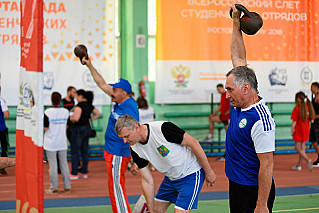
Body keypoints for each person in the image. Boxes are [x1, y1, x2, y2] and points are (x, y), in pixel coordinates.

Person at [224, 4, 276, 212]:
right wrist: (236, 23)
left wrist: (261, 204)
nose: (227, 95)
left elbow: (267, 165)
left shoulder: (260, 120)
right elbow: (237, 57)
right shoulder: (240, 104)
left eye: (230, 90)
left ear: (246, 88)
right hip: (236, 183)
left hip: (252, 191)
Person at [115, 114, 216, 212]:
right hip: (171, 178)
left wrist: (209, 171)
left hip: (191, 173)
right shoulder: (135, 148)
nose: (124, 141)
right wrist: (151, 210)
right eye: (122, 138)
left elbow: (194, 143)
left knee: (179, 211)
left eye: (126, 136)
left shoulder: (162, 128)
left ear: (136, 127)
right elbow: (147, 180)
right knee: (157, 209)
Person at [82, 56, 139, 213]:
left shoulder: (129, 108)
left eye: (114, 90)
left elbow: (135, 133)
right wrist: (89, 65)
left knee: (117, 187)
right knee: (113, 187)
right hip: (111, 150)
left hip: (118, 153)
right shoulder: (119, 99)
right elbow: (101, 83)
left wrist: (136, 159)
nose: (111, 91)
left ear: (123, 93)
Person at [69, 89, 100, 180]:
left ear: (80, 96)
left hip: (78, 129)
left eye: (77, 96)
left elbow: (76, 118)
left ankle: (74, 173)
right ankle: (84, 172)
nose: (76, 98)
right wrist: (89, 119)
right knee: (84, 151)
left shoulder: (79, 106)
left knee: (75, 152)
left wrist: (70, 118)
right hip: (87, 128)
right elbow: (97, 114)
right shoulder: (89, 105)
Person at [44, 92, 71, 193]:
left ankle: (54, 187)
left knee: (53, 166)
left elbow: (45, 128)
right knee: (64, 164)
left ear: (51, 100)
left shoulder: (47, 112)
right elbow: (67, 126)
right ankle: (67, 187)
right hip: (62, 142)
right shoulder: (65, 112)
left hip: (51, 143)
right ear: (60, 100)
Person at [291, 91, 315, 171]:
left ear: (297, 99)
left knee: (298, 148)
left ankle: (308, 160)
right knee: (302, 149)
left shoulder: (297, 108)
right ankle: (299, 165)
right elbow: (312, 120)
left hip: (299, 130)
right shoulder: (308, 107)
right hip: (306, 130)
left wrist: (292, 130)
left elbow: (294, 122)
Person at [0, 88, 10, 175]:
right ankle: (2, 167)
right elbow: (7, 115)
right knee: (4, 147)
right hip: (1, 128)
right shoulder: (1, 101)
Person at [309, 82, 319, 167]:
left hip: (317, 122)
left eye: (312, 87)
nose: (311, 89)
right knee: (313, 140)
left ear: (316, 87)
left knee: (316, 140)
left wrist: (316, 116)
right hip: (314, 121)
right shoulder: (314, 96)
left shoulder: (318, 96)